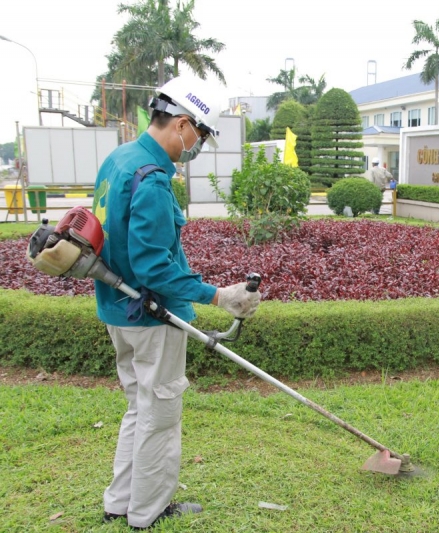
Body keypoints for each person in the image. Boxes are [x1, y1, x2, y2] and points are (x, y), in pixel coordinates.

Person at [92, 76, 262, 530]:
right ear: (183, 124)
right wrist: (218, 295)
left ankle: (120, 502)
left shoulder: (119, 159)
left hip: (117, 310)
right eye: (200, 136)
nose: (197, 146)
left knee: (138, 408)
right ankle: (147, 514)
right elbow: (153, 267)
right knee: (160, 414)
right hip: (149, 317)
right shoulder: (150, 178)